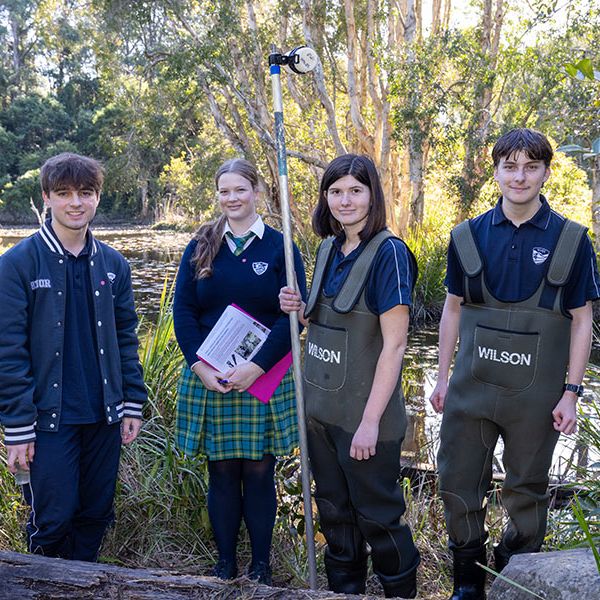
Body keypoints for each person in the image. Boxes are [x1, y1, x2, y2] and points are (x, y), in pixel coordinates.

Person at [429, 128, 600, 600]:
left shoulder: (571, 240)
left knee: (527, 489)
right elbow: (452, 310)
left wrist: (573, 391)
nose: (519, 176)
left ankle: (515, 574)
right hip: (471, 391)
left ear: (546, 171)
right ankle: (468, 582)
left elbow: (582, 321)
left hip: (537, 400)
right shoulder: (468, 236)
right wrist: (441, 378)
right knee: (458, 483)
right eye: (510, 166)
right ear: (496, 170)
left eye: (530, 166)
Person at [280, 154, 421, 598]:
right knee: (335, 514)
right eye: (336, 191)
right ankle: (344, 592)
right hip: (322, 414)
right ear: (326, 198)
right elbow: (326, 324)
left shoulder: (390, 254)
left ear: (372, 195)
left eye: (355, 190)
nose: (345, 200)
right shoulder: (327, 248)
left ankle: (400, 591)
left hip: (365, 421)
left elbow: (394, 346)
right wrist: (300, 311)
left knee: (378, 516)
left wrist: (371, 423)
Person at [0, 152, 147, 561]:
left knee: (96, 513)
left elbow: (125, 337)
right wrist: (16, 425)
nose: (75, 202)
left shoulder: (113, 264)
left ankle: (84, 583)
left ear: (97, 198)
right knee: (53, 517)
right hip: (48, 418)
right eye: (63, 193)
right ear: (47, 197)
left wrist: (132, 401)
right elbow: (7, 352)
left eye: (85, 192)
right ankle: (44, 583)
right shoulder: (17, 264)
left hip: (103, 414)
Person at [173, 158, 306, 585]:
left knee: (260, 470)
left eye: (240, 190)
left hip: (262, 374)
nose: (232, 199)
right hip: (211, 375)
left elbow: (293, 318)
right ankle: (226, 564)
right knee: (222, 470)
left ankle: (261, 566)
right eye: (224, 191)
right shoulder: (201, 245)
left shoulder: (281, 248)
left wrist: (256, 366)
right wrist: (198, 366)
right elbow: (184, 311)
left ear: (258, 192)